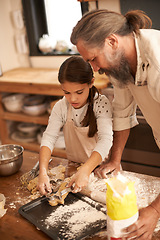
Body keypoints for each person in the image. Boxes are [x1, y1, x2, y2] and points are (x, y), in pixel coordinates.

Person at [70, 9, 160, 240]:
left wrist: (154, 210)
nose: (95, 69)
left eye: (93, 59)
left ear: (111, 41)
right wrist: (115, 159)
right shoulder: (121, 64)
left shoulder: (158, 61)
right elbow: (122, 112)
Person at [38, 55, 113, 195]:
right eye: (66, 92)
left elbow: (106, 140)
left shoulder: (101, 104)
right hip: (74, 168)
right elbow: (49, 138)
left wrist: (86, 169)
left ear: (91, 83)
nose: (72, 98)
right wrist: (43, 171)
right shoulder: (61, 106)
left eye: (79, 92)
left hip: (101, 170)